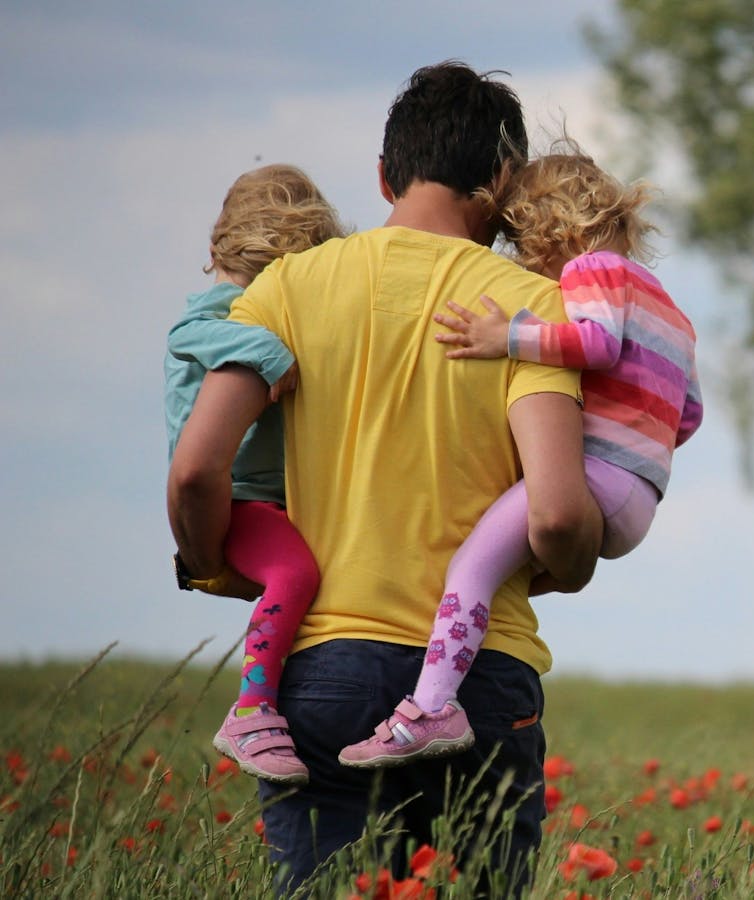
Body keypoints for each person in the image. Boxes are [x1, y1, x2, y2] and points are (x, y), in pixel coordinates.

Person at [167, 61, 603, 891]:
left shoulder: (285, 288)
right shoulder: (528, 309)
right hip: (479, 679)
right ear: (503, 181)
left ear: (382, 174)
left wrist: (215, 563)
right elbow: (554, 516)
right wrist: (571, 567)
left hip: (322, 667)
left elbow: (195, 471)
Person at [336, 147, 703, 768]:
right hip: (641, 495)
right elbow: (688, 415)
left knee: (471, 568)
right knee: (503, 570)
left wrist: (504, 336)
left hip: (597, 477)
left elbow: (596, 343)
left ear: (549, 230)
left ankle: (430, 708)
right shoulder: (671, 309)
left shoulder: (592, 270)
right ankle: (448, 681)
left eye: (521, 243)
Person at [164, 164, 344, 785]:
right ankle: (252, 710)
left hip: (270, 499)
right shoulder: (223, 311)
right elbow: (188, 333)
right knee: (295, 573)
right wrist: (270, 353)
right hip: (238, 498)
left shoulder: (253, 304)